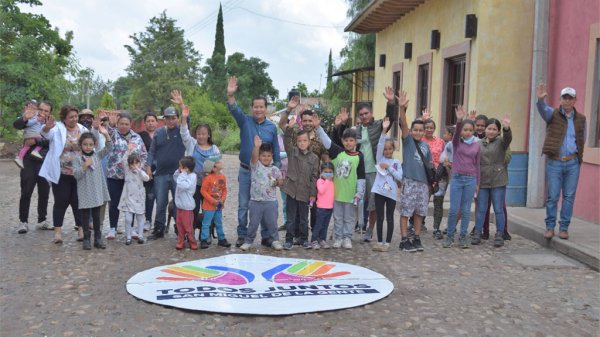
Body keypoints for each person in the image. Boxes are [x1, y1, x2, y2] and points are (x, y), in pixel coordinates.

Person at [332, 89, 396, 242]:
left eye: (366, 113)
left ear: (371, 113)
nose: (364, 116)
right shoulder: (356, 130)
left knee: (373, 203)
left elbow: (391, 118)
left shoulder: (379, 125)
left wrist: (391, 102)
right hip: (358, 171)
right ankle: (353, 225)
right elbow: (343, 140)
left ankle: (369, 230)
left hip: (375, 171)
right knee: (354, 200)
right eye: (361, 114)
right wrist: (343, 123)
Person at [226, 76, 280, 247]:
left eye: (261, 107)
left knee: (265, 203)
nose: (258, 109)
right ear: (252, 108)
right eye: (255, 107)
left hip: (265, 174)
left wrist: (276, 171)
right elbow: (235, 109)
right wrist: (230, 95)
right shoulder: (245, 121)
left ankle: (267, 236)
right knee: (243, 205)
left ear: (266, 109)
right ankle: (242, 235)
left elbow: (276, 152)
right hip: (246, 171)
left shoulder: (271, 127)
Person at [536, 83, 586, 240]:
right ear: (560, 99)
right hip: (555, 162)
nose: (567, 101)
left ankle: (564, 228)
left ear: (575, 100)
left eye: (570, 98)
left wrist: (578, 157)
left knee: (569, 196)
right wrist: (540, 100)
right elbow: (543, 111)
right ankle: (550, 227)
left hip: (572, 163)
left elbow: (582, 139)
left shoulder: (581, 119)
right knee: (553, 196)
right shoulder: (553, 114)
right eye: (564, 98)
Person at [39, 105, 88, 243]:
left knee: (78, 202)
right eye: (70, 117)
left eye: (75, 116)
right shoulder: (57, 128)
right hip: (61, 172)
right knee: (61, 201)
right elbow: (45, 134)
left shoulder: (82, 129)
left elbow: (90, 145)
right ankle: (57, 232)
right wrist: (47, 126)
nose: (74, 119)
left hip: (78, 173)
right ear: (64, 118)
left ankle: (81, 230)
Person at [316, 122, 366, 250]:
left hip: (350, 195)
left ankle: (347, 237)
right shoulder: (338, 153)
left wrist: (359, 193)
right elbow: (328, 142)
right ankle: (338, 238)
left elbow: (361, 176)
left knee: (349, 218)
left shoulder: (359, 156)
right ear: (342, 141)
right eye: (346, 140)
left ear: (355, 142)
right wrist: (318, 127)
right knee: (338, 218)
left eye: (351, 140)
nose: (348, 143)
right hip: (336, 194)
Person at [146, 91, 187, 240]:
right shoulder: (158, 133)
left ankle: (179, 228)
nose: (171, 121)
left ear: (177, 118)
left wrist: (181, 104)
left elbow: (186, 116)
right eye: (168, 119)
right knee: (161, 202)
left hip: (178, 173)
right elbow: (152, 151)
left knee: (178, 202)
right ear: (164, 120)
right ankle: (159, 229)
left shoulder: (182, 130)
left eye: (174, 118)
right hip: (161, 174)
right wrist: (149, 166)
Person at [179, 99, 220, 241]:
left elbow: (219, 166)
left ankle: (206, 236)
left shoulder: (214, 149)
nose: (201, 136)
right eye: (199, 133)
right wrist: (183, 116)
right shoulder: (192, 144)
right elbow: (184, 132)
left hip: (209, 186)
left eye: (204, 133)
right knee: (192, 210)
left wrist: (214, 170)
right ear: (196, 134)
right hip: (193, 185)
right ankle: (189, 235)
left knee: (208, 211)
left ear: (209, 134)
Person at [102, 111, 147, 240]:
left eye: (126, 124)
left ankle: (131, 229)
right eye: (121, 123)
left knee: (131, 203)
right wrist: (110, 125)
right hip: (115, 175)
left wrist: (140, 169)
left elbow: (144, 154)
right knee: (114, 202)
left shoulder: (137, 137)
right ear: (118, 123)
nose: (124, 126)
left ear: (130, 124)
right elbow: (107, 132)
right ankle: (112, 228)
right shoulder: (113, 134)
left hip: (132, 178)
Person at [396, 91, 432, 253]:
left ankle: (416, 237)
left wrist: (430, 184)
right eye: (415, 130)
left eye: (420, 130)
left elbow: (429, 164)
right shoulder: (408, 141)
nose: (417, 132)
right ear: (411, 131)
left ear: (424, 132)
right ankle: (404, 239)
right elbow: (403, 123)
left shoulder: (426, 146)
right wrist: (402, 108)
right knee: (406, 211)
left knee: (419, 212)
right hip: (409, 182)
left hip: (423, 184)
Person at [443, 106, 480, 249]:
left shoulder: (477, 145)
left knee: (465, 210)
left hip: (470, 180)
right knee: (453, 210)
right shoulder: (456, 143)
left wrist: (478, 183)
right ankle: (450, 236)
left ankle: (463, 237)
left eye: (470, 130)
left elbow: (477, 165)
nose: (468, 132)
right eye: (465, 130)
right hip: (457, 179)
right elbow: (457, 132)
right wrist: (459, 120)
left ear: (473, 131)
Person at [472, 117, 512, 247]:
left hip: (498, 180)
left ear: (498, 131)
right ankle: (478, 232)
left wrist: (506, 129)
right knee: (481, 209)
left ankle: (500, 234)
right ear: (485, 129)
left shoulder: (502, 142)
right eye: (489, 128)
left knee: (498, 209)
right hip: (483, 180)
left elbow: (508, 138)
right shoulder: (478, 144)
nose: (491, 131)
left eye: (495, 129)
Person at [280, 116, 319, 250]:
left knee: (304, 219)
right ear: (296, 142)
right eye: (299, 141)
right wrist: (289, 129)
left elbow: (314, 178)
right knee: (290, 218)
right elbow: (286, 142)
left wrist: (313, 194)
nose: (302, 143)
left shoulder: (314, 158)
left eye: (305, 141)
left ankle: (304, 239)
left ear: (309, 142)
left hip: (305, 192)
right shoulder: (292, 152)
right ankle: (289, 240)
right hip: (291, 190)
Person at [13, 100, 52, 233]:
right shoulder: (31, 119)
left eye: (46, 111)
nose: (43, 112)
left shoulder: (51, 125)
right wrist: (25, 117)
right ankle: (23, 221)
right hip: (28, 160)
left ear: (49, 113)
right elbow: (17, 125)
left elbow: (51, 140)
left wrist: (35, 140)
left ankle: (42, 220)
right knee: (26, 191)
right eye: (41, 109)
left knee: (44, 192)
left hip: (44, 161)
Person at [240, 136, 284, 251]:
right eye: (263, 155)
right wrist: (256, 147)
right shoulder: (255, 166)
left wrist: (277, 182)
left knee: (272, 223)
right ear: (259, 156)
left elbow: (281, 182)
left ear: (272, 157)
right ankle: (248, 241)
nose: (266, 158)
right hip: (255, 201)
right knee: (253, 224)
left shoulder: (275, 169)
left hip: (271, 202)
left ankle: (275, 240)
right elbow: (253, 157)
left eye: (268, 156)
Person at [72, 125, 112, 250]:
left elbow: (109, 148)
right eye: (85, 144)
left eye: (90, 144)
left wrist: (106, 134)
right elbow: (76, 175)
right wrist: (84, 166)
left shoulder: (97, 156)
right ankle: (86, 239)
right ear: (81, 145)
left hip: (97, 191)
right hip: (85, 192)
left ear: (94, 145)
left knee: (96, 216)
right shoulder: (78, 159)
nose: (88, 147)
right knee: (85, 217)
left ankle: (98, 239)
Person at [371, 117, 403, 252]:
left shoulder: (396, 163)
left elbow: (400, 177)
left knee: (390, 218)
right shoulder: (379, 159)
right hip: (379, 192)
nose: (387, 151)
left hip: (391, 194)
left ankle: (387, 242)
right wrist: (384, 131)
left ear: (393, 149)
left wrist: (389, 168)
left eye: (390, 149)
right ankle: (379, 241)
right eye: (385, 149)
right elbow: (379, 146)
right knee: (380, 216)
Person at [118, 153, 150, 245]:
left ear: (140, 163)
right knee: (128, 219)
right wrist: (128, 150)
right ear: (129, 165)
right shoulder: (127, 171)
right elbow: (124, 159)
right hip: (128, 198)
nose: (134, 166)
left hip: (139, 199)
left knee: (140, 218)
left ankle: (140, 235)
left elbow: (147, 178)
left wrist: (140, 171)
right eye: (132, 164)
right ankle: (128, 237)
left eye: (136, 163)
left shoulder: (141, 172)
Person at [199, 156, 231, 249]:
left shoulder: (223, 177)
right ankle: (204, 239)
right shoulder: (208, 178)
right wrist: (213, 201)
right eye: (218, 162)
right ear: (214, 167)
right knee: (206, 223)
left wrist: (223, 199)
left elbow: (224, 189)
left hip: (219, 205)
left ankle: (221, 239)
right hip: (209, 206)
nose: (220, 162)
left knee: (218, 222)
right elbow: (203, 191)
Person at [137, 112, 158, 232]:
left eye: (152, 120)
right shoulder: (140, 136)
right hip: (143, 171)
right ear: (145, 123)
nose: (150, 123)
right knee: (144, 196)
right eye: (148, 121)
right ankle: (145, 220)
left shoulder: (162, 134)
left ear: (156, 122)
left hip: (159, 170)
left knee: (155, 196)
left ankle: (155, 221)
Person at [14, 99, 48, 169]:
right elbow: (27, 123)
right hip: (31, 133)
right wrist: (35, 119)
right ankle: (35, 151)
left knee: (26, 147)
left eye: (35, 109)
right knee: (41, 138)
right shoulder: (30, 115)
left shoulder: (46, 120)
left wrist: (43, 120)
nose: (35, 111)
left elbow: (39, 124)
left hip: (33, 135)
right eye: (39, 109)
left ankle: (19, 158)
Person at [173, 156, 198, 250]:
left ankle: (192, 241)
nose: (179, 168)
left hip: (187, 207)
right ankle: (181, 241)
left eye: (180, 167)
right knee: (179, 226)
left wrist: (182, 174)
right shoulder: (182, 175)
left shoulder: (192, 177)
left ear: (186, 169)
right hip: (180, 206)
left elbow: (183, 185)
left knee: (188, 227)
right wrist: (179, 172)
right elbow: (175, 177)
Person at [311, 162, 335, 249]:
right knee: (318, 225)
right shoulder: (320, 181)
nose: (328, 173)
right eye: (325, 171)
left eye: (330, 172)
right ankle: (314, 240)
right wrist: (328, 180)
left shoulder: (332, 182)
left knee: (325, 225)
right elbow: (321, 191)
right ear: (321, 172)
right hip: (321, 208)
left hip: (330, 208)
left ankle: (322, 239)